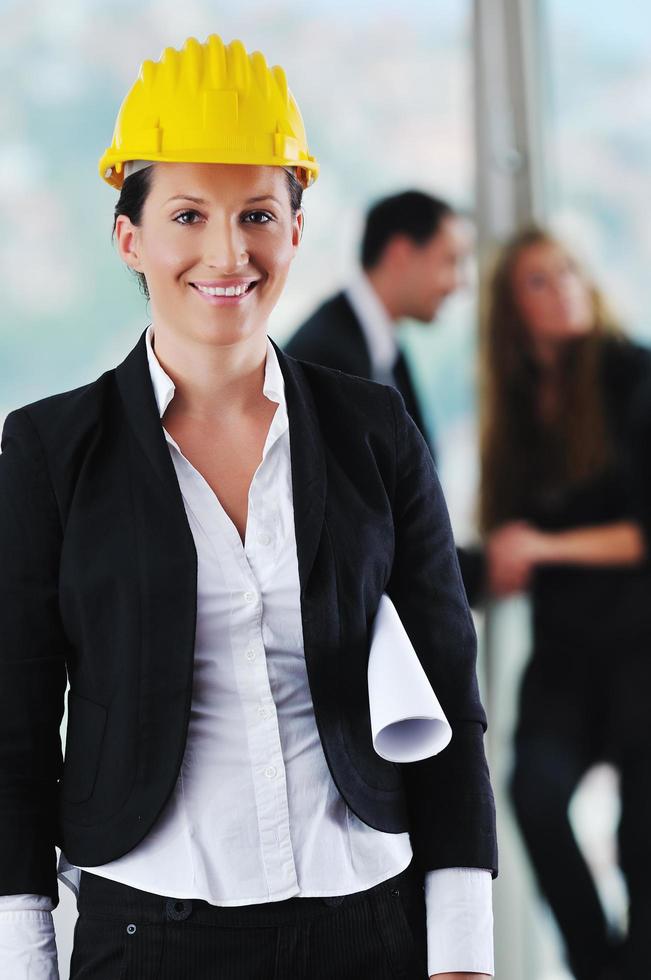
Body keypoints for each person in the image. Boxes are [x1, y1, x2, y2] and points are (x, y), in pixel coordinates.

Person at [0, 35, 496, 980]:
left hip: (371, 926)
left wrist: (463, 951)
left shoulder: (371, 429)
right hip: (152, 937)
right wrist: (24, 964)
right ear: (130, 238)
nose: (228, 252)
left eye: (258, 214)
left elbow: (448, 690)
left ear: (297, 232)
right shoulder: (48, 453)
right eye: (188, 214)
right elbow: (13, 734)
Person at [480, 226, 651, 980]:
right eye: (539, 282)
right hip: (564, 654)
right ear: (510, 310)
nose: (564, 289)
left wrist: (542, 549)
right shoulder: (516, 409)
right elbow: (506, 537)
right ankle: (597, 967)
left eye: (570, 272)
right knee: (532, 791)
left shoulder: (635, 375)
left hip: (641, 647)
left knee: (643, 846)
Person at [285, 192, 485, 603]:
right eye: (450, 261)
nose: (461, 282)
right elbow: (363, 523)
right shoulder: (327, 355)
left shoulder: (376, 343)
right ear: (400, 254)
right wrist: (477, 571)